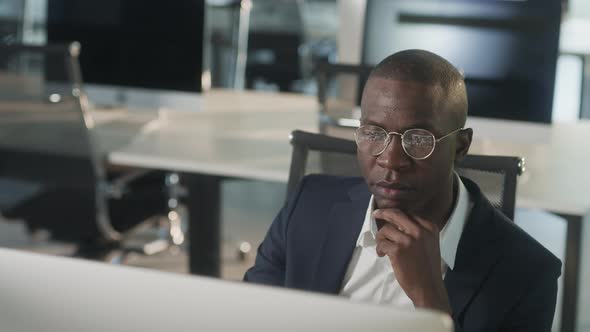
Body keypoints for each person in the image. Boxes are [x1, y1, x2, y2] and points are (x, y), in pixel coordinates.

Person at [243, 49, 561, 331]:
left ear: (461, 145)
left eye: (419, 139)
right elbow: (248, 316)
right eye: (374, 133)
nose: (391, 160)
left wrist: (430, 299)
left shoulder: (528, 273)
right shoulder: (309, 204)